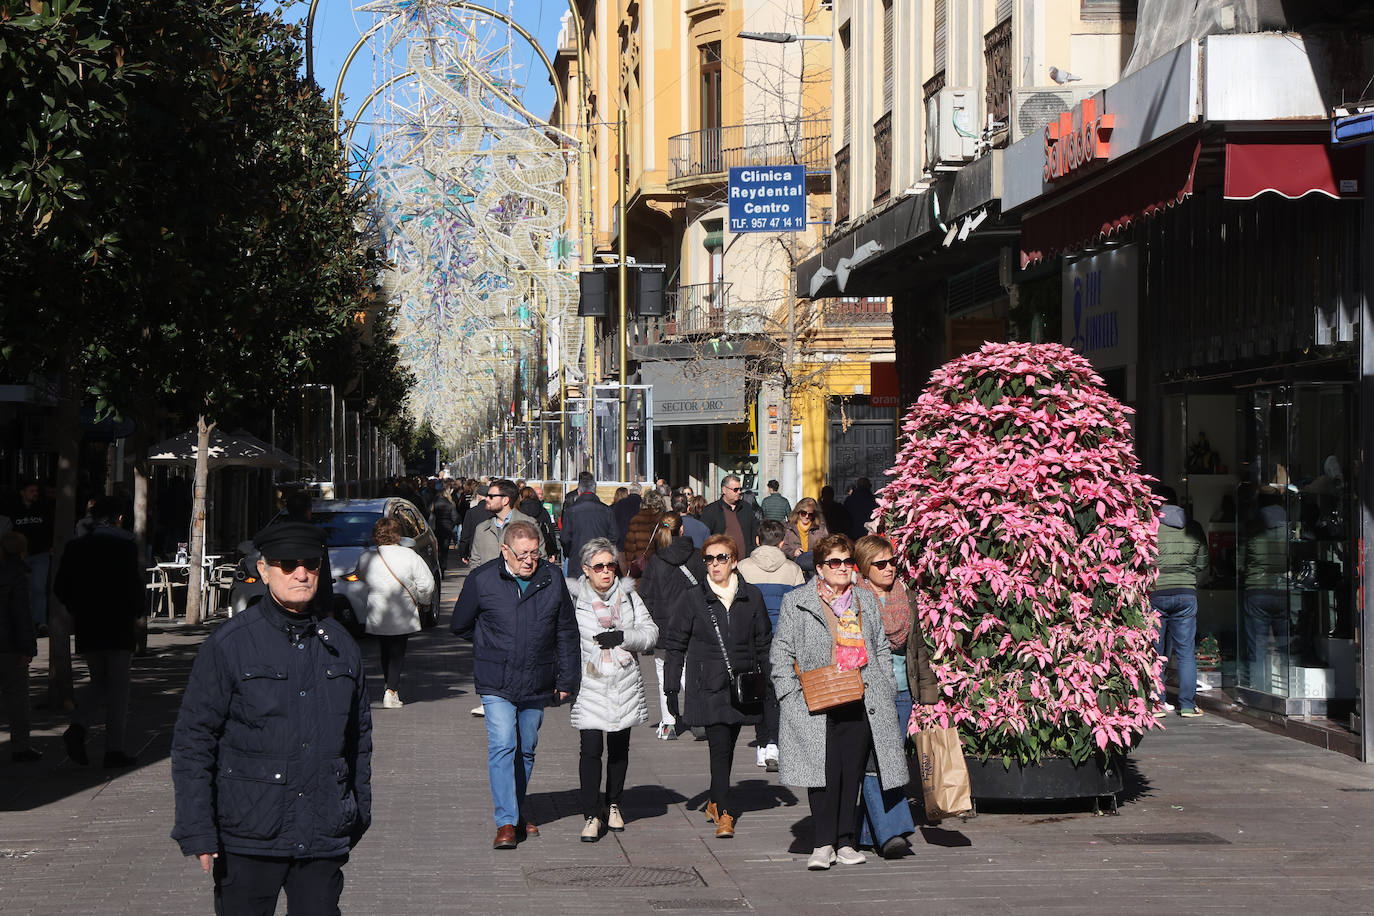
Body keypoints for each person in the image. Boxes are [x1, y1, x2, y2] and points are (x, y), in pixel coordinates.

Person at [171, 522, 371, 913]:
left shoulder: (340, 644)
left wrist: (356, 812)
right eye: (288, 564)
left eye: (311, 563)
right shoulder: (230, 643)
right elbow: (194, 739)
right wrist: (198, 829)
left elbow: (358, 740)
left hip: (321, 831)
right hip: (249, 832)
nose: (301, 573)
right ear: (263, 570)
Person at [770, 533, 907, 871]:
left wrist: (886, 686)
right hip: (815, 701)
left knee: (851, 773)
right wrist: (789, 695)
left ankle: (845, 841)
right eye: (835, 562)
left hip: (861, 697)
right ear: (820, 568)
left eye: (847, 562)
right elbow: (781, 652)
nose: (843, 568)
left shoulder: (863, 600)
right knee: (822, 774)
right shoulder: (797, 601)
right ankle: (822, 842)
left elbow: (879, 648)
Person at [451, 521, 579, 849]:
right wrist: (489, 645)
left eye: (535, 554)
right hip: (497, 680)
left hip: (538, 678)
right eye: (522, 554)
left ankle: (518, 809)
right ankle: (506, 822)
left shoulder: (551, 579)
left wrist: (567, 679)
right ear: (505, 550)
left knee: (526, 748)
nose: (529, 561)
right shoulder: (482, 580)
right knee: (503, 744)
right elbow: (460, 625)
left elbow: (566, 630)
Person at [663, 534, 772, 839]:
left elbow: (764, 643)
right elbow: (675, 644)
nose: (714, 564)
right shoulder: (693, 597)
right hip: (707, 685)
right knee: (719, 746)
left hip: (743, 687)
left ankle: (714, 800)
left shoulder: (752, 596)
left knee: (728, 747)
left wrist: (773, 683)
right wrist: (671, 688)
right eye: (709, 559)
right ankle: (725, 813)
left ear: (734, 561)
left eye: (721, 558)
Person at [568, 538, 658, 841]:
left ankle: (614, 803)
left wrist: (623, 637)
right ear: (586, 570)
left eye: (611, 566)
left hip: (624, 682)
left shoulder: (630, 597)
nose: (607, 572)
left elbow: (650, 634)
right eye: (599, 567)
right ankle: (591, 813)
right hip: (590, 683)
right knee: (591, 750)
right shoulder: (575, 600)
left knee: (619, 749)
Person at [53, 497, 142, 768]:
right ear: (119, 518)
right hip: (118, 623)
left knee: (98, 681)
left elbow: (61, 587)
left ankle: (78, 728)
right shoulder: (125, 545)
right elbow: (133, 584)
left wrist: (79, 608)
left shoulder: (76, 547)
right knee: (118, 688)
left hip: (89, 624)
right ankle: (113, 749)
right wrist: (136, 612)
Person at [854, 534, 928, 857]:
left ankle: (866, 835)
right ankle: (891, 833)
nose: (889, 569)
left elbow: (917, 647)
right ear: (865, 567)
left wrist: (925, 691)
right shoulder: (854, 599)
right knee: (876, 760)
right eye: (880, 564)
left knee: (891, 758)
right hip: (868, 691)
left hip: (901, 691)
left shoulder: (905, 595)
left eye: (892, 562)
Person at [736, 520, 804, 771]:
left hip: (751, 637)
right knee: (777, 691)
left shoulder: (742, 568)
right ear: (782, 542)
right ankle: (774, 743)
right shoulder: (792, 570)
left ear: (757, 540)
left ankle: (762, 744)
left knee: (757, 688)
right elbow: (799, 608)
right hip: (782, 637)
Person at [353, 517, 436, 709]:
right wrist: (424, 601)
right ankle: (391, 691)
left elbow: (361, 576)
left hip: (377, 610)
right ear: (398, 534)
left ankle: (390, 687)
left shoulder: (366, 557)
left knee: (385, 650)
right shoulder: (409, 556)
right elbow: (427, 583)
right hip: (403, 610)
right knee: (398, 651)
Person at [636, 512, 706, 740]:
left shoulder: (656, 561)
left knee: (663, 671)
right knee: (689, 670)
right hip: (692, 623)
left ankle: (669, 722)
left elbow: (645, 595)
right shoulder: (697, 557)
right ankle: (698, 716)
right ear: (682, 530)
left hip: (663, 625)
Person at [1153, 486, 1209, 717]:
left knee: (1156, 652)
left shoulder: (1150, 527)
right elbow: (1203, 562)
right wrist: (1187, 575)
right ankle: (1187, 705)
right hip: (1186, 593)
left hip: (1156, 592)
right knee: (1185, 652)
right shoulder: (1193, 527)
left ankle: (1157, 703)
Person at [0, 531, 39, 762]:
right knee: (17, 698)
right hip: (10, 645)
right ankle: (21, 747)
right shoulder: (18, 575)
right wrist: (28, 648)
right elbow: (22, 616)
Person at [9, 478, 52, 634]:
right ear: (22, 492)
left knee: (38, 589)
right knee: (20, 589)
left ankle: (39, 622)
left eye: (36, 491)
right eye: (31, 491)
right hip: (19, 556)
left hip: (39, 553)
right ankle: (23, 622)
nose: (35, 494)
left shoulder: (43, 508)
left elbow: (49, 527)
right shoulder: (13, 510)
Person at [560, 472, 618, 580]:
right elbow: (614, 536)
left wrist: (570, 553)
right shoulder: (606, 510)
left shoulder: (571, 511)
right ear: (594, 490)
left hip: (577, 559)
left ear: (579, 491)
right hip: (600, 561)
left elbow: (565, 538)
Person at [468, 479, 535, 571]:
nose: (486, 499)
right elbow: (475, 562)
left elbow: (539, 558)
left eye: (491, 496)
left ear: (505, 500)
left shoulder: (529, 524)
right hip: (488, 583)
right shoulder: (482, 528)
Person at [700, 476, 759, 560]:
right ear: (724, 490)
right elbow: (704, 538)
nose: (739, 492)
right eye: (735, 489)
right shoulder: (711, 510)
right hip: (721, 562)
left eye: (740, 489)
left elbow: (754, 530)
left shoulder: (746, 507)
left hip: (745, 562)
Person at [620, 491, 666, 577]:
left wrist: (630, 567)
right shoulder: (664, 521)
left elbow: (630, 549)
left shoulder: (635, 520)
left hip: (641, 571)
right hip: (661, 570)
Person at [782, 498, 829, 578]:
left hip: (813, 570)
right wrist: (793, 552)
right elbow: (782, 546)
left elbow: (827, 546)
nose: (807, 517)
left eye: (810, 514)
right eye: (803, 513)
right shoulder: (788, 527)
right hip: (793, 568)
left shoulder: (820, 528)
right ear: (798, 512)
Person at [518, 485, 559, 560]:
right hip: (541, 548)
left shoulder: (518, 510)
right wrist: (552, 552)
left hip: (521, 549)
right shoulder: (542, 510)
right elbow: (550, 531)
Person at [430, 482, 458, 573]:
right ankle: (443, 566)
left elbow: (429, 513)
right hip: (447, 529)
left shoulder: (435, 503)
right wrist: (451, 525)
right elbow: (455, 518)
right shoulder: (450, 504)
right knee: (445, 549)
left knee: (438, 548)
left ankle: (438, 565)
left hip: (437, 528)